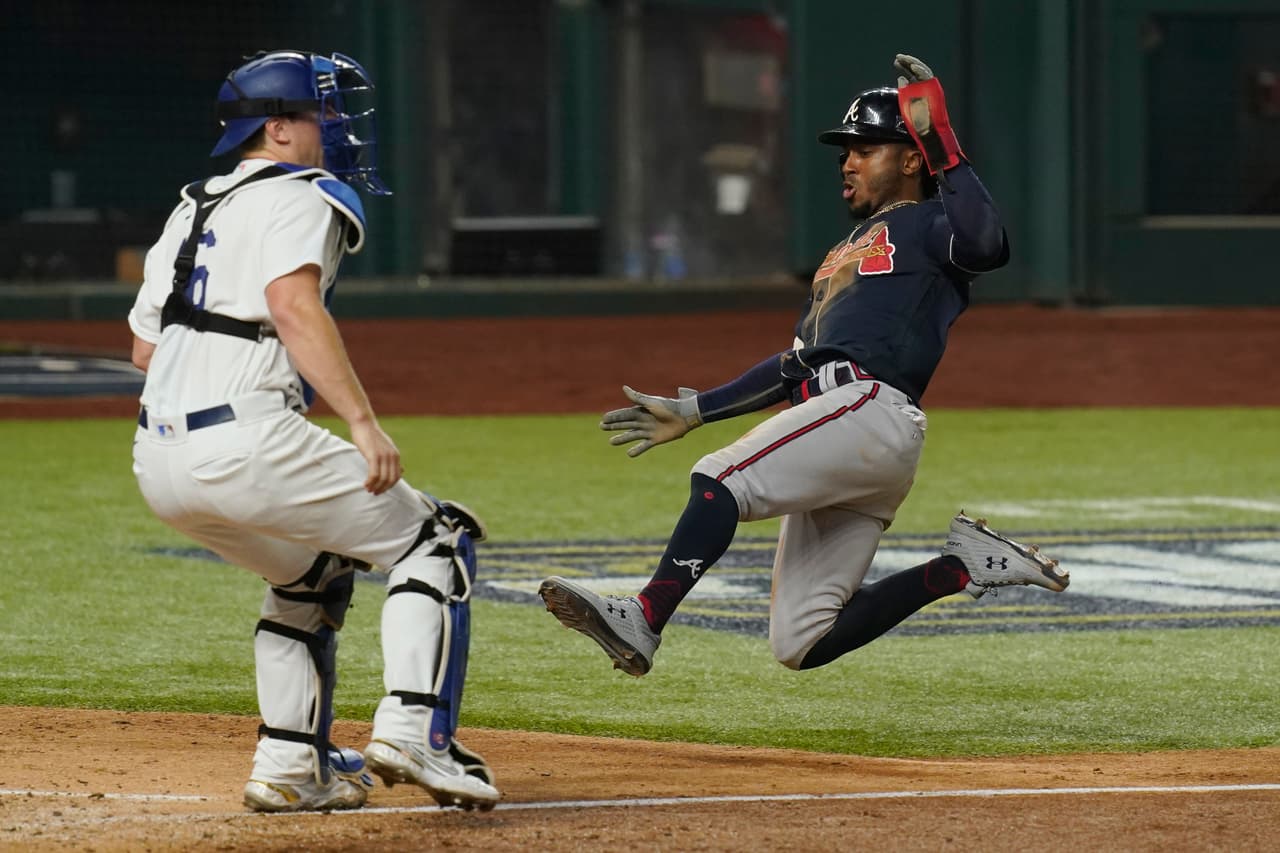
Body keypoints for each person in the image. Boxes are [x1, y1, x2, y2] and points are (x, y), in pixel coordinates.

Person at [539, 54, 1069, 677]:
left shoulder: (933, 224)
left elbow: (988, 246)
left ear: (908, 158)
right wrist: (696, 410)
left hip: (869, 412)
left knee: (718, 480)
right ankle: (962, 565)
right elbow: (798, 362)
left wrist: (940, 140)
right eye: (845, 151)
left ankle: (645, 617)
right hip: (848, 431)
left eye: (865, 148)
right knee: (801, 639)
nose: (847, 162)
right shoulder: (844, 248)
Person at [128, 50, 499, 813]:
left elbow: (143, 347)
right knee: (436, 538)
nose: (334, 129)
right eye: (320, 113)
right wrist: (362, 423)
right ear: (277, 128)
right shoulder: (301, 193)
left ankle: (291, 765)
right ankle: (413, 730)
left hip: (157, 460)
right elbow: (295, 307)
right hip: (247, 438)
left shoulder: (192, 205)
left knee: (308, 575)